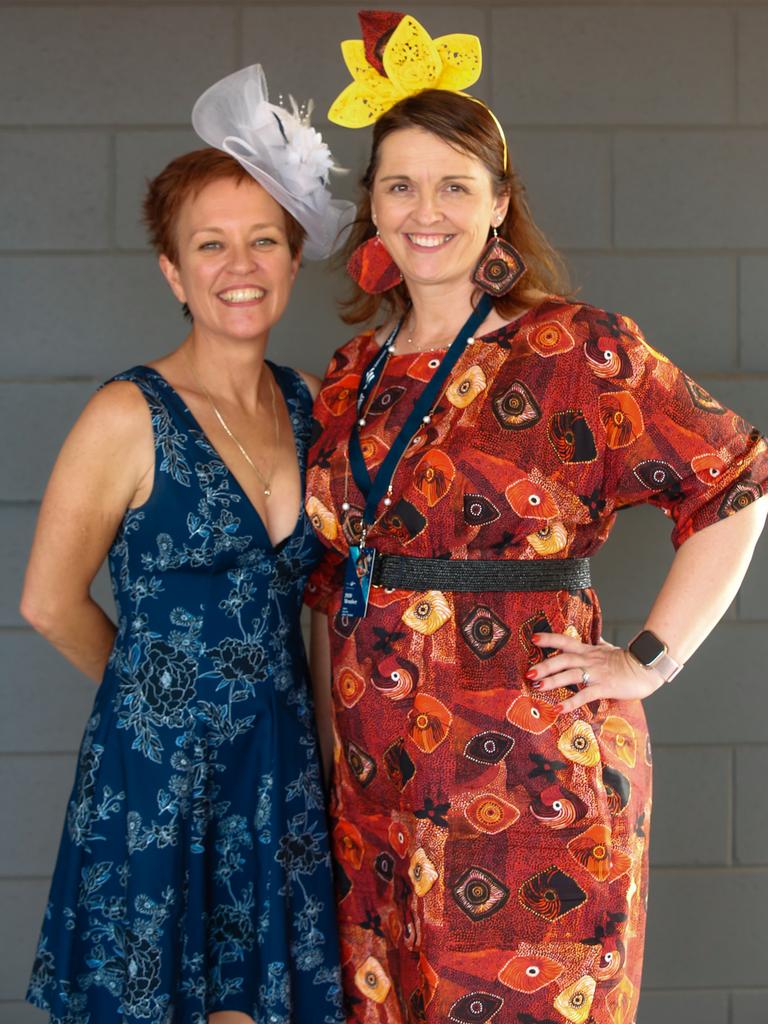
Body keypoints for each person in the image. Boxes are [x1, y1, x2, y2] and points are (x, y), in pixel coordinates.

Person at [304, 11, 768, 1024]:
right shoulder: (349, 379)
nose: (427, 209)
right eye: (401, 184)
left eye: (455, 185)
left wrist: (649, 656)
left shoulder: (577, 353)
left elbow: (735, 479)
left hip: (529, 780)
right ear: (373, 209)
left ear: (499, 203)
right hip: (374, 798)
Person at [22, 65, 353, 1024]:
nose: (238, 265)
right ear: (173, 270)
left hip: (284, 772)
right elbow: (47, 601)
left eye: (263, 242)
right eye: (210, 245)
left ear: (293, 261)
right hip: (160, 781)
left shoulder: (311, 408)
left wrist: (330, 760)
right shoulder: (126, 414)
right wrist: (154, 704)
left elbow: (326, 603)